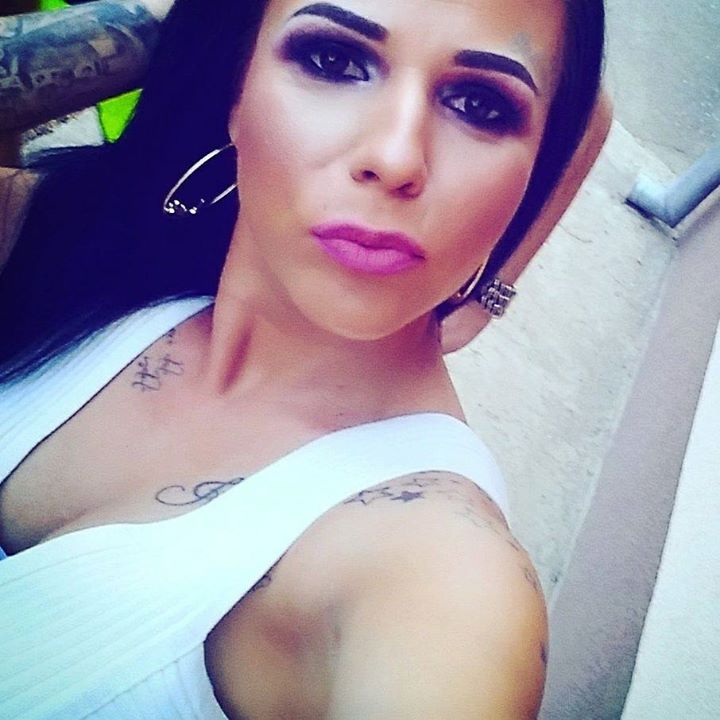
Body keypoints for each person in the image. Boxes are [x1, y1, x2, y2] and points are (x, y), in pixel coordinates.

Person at [0, 1, 605, 718]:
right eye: (332, 59)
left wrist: (492, 289)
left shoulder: (440, 574)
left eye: (480, 105)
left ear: (534, 168)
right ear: (236, 86)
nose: (395, 157)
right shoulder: (58, 239)